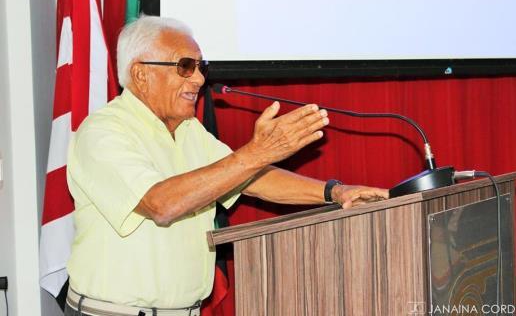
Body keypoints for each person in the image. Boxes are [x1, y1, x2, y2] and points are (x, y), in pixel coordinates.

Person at [64, 16, 388, 316]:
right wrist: (256, 153)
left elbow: (252, 179)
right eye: (186, 67)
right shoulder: (103, 132)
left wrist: (335, 192)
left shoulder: (189, 131)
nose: (200, 78)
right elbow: (161, 203)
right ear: (141, 74)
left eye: (201, 66)